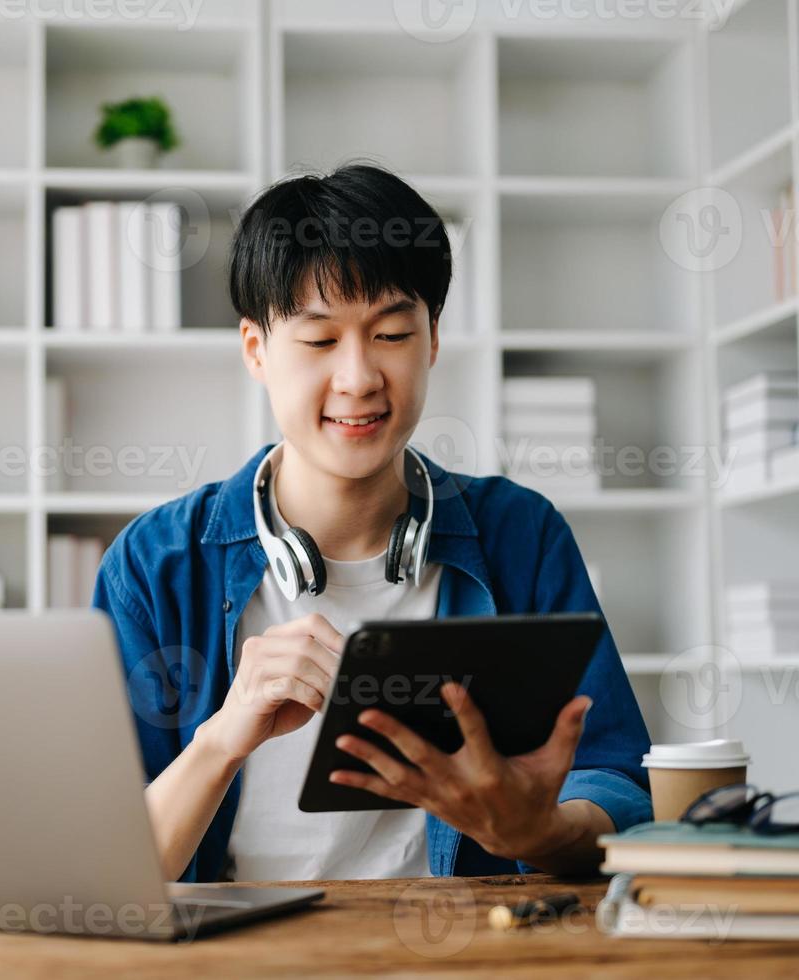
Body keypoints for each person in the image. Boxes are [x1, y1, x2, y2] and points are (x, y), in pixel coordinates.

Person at [93, 162, 652, 883]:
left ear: (433, 341)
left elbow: (618, 785)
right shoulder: (153, 565)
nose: (358, 378)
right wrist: (221, 741)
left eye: (391, 333)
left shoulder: (522, 534)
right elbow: (100, 868)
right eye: (320, 342)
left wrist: (542, 831)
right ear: (256, 350)